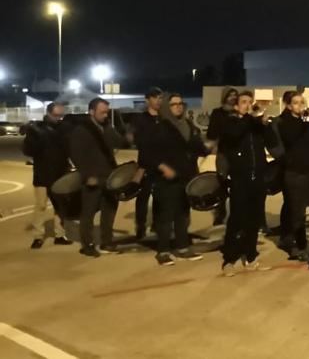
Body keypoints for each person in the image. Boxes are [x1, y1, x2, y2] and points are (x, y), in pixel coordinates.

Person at [218, 90, 278, 276]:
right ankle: (230, 259)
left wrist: (266, 125)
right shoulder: (231, 122)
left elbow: (272, 142)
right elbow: (234, 135)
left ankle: (251, 256)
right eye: (244, 102)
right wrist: (251, 118)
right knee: (237, 219)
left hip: (258, 178)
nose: (248, 105)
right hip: (240, 178)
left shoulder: (255, 124)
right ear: (236, 106)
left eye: (250, 102)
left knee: (254, 220)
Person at [150, 92, 208, 266]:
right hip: (165, 179)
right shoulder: (159, 126)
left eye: (180, 103)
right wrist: (162, 167)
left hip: (186, 176)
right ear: (167, 107)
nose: (179, 106)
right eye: (174, 104)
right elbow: (149, 153)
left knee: (183, 214)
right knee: (165, 216)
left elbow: (195, 146)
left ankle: (182, 247)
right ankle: (163, 251)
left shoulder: (188, 124)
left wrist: (206, 148)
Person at [276, 90, 309, 262]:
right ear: (289, 105)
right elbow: (295, 138)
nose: (301, 105)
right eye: (297, 102)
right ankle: (300, 247)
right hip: (296, 173)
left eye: (302, 102)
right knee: (297, 213)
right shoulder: (285, 122)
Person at [68, 97, 124, 257]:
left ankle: (107, 242)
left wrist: (115, 130)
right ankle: (87, 245)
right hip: (92, 178)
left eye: (107, 112)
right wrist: (87, 176)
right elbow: (76, 156)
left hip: (109, 177)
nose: (106, 115)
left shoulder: (106, 127)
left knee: (110, 211)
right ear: (91, 112)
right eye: (102, 112)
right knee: (88, 214)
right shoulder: (81, 130)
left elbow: (118, 142)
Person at [23, 101, 72, 248]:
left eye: (61, 115)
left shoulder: (64, 129)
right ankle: (38, 236)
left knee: (60, 206)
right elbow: (28, 151)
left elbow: (69, 149)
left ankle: (60, 234)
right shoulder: (37, 129)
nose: (59, 118)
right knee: (41, 206)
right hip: (42, 174)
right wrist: (36, 138)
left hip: (60, 173)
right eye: (56, 115)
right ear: (49, 113)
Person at [130, 87, 166, 240]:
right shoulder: (141, 119)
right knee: (142, 198)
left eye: (161, 98)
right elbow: (139, 141)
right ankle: (140, 226)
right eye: (155, 97)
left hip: (161, 164)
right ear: (147, 100)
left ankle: (157, 224)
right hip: (145, 164)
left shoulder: (163, 119)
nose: (159, 101)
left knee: (160, 196)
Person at [205, 87, 239, 226]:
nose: (232, 97)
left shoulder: (239, 112)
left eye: (234, 95)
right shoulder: (217, 113)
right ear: (224, 97)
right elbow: (212, 133)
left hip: (238, 154)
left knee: (238, 185)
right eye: (230, 95)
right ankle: (220, 213)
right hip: (224, 153)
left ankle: (237, 213)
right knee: (221, 183)